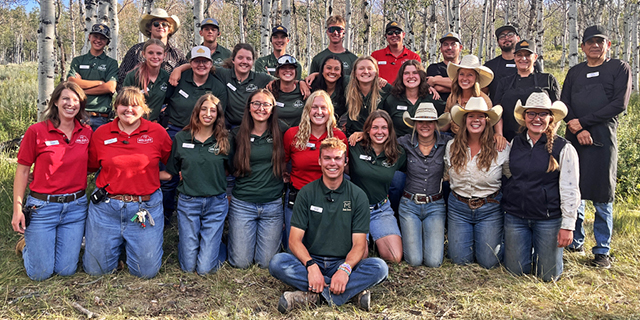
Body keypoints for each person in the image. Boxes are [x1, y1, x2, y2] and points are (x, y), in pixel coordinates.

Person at [269, 137, 388, 313]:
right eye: (327, 158)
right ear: (319, 161)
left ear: (345, 161)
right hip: (311, 260)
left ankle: (312, 295)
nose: (332, 163)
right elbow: (294, 240)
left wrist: (345, 270)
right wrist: (311, 266)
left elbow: (359, 244)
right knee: (277, 262)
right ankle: (346, 293)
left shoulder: (358, 196)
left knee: (379, 267)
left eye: (338, 158)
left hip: (343, 261)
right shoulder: (306, 193)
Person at [561, 25, 632, 268]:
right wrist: (578, 128)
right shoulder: (574, 72)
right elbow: (564, 103)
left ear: (608, 45)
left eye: (600, 41)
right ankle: (575, 242)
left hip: (604, 137)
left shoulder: (619, 68)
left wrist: (585, 123)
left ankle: (602, 251)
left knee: (603, 195)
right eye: (590, 42)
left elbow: (619, 104)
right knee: (574, 190)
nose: (595, 45)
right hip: (574, 136)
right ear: (582, 47)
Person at [83, 87, 172, 279]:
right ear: (116, 107)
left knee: (145, 272)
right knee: (96, 270)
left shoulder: (157, 132)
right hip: (107, 208)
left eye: (135, 105)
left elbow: (172, 163)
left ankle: (128, 246)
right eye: (124, 104)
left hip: (144, 207)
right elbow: (88, 166)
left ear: (144, 108)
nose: (129, 109)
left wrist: (162, 176)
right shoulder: (101, 133)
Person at [12, 82, 91, 281]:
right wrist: (17, 209)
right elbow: (22, 171)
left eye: (76, 100)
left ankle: (46, 243)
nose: (70, 104)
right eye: (65, 99)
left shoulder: (87, 133)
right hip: (42, 207)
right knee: (41, 274)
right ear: (55, 101)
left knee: (66, 270)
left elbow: (95, 164)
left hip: (75, 207)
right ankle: (26, 245)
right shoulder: (37, 131)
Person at [503, 92, 580, 281]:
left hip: (548, 219)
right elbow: (507, 172)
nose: (536, 119)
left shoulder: (564, 148)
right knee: (515, 272)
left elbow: (570, 189)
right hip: (516, 217)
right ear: (524, 117)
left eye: (542, 114)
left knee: (548, 276)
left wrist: (568, 226)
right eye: (531, 114)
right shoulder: (515, 143)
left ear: (550, 118)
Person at [164, 94, 231, 274]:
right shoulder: (181, 138)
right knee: (188, 267)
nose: (208, 113)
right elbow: (172, 171)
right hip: (188, 202)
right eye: (204, 109)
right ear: (197, 111)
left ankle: (217, 245)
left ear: (218, 114)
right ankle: (193, 246)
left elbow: (230, 170)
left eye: (213, 110)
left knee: (204, 270)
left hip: (216, 203)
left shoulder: (225, 139)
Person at [162, 46, 228, 223]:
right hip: (176, 130)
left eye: (204, 61)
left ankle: (199, 207)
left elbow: (220, 115)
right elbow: (163, 101)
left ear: (210, 64)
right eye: (197, 61)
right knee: (169, 175)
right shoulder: (179, 79)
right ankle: (166, 214)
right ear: (190, 63)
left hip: (206, 134)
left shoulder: (217, 87)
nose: (201, 65)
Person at [445, 97, 510, 269]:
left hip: (489, 207)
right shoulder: (451, 146)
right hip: (459, 207)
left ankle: (501, 239)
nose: (475, 120)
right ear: (464, 120)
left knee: (489, 262)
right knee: (459, 260)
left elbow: (511, 177)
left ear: (487, 121)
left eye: (480, 116)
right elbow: (446, 174)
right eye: (471, 116)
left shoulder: (501, 148)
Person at [283, 90, 348, 249]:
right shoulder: (292, 134)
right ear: (307, 111)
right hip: (297, 199)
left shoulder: (339, 136)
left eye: (323, 108)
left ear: (330, 111)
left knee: (325, 249)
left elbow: (345, 169)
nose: (319, 112)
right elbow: (283, 164)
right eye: (314, 107)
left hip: (329, 200)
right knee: (293, 251)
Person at [227, 89, 285, 268]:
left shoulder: (282, 130)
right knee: (240, 263)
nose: (261, 108)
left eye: (266, 104)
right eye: (256, 104)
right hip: (243, 203)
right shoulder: (236, 134)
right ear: (249, 107)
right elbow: (227, 167)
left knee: (266, 263)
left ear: (273, 108)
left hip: (272, 205)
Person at [397, 102, 451, 268]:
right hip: (409, 205)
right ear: (414, 124)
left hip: (435, 205)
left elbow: (468, 141)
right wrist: (361, 134)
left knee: (434, 262)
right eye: (420, 121)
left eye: (429, 121)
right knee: (414, 260)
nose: (425, 125)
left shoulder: (447, 142)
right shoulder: (404, 142)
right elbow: (380, 142)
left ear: (436, 124)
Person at [349, 110, 406, 263]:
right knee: (360, 255)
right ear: (367, 129)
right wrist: (359, 134)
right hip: (355, 210)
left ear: (390, 130)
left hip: (380, 208)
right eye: (375, 127)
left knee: (394, 257)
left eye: (384, 128)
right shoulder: (355, 146)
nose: (379, 132)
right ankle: (366, 241)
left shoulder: (398, 153)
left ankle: (376, 237)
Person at [492, 40, 561, 141]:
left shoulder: (548, 79)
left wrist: (550, 135)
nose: (523, 58)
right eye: (519, 55)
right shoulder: (504, 82)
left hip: (541, 138)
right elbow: (498, 111)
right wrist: (499, 134)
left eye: (528, 55)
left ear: (535, 57)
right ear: (514, 57)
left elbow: (557, 111)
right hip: (509, 138)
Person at [118, 8, 187, 91]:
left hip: (168, 101)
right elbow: (121, 78)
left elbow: (191, 70)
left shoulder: (177, 54)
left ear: (169, 29)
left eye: (164, 24)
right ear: (150, 28)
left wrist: (179, 69)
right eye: (156, 24)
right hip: (137, 100)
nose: (160, 26)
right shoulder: (136, 50)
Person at [67, 23, 118, 131]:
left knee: (100, 148)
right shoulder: (78, 61)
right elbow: (70, 83)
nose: (98, 40)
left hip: (102, 118)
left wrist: (80, 88)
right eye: (95, 36)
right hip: (79, 115)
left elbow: (110, 88)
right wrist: (100, 83)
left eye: (102, 38)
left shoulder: (111, 63)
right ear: (89, 37)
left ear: (107, 42)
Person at [382, 59, 444, 137]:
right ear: (401, 77)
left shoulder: (432, 97)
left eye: (415, 73)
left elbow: (445, 120)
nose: (411, 76)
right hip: (399, 146)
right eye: (406, 73)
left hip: (426, 145)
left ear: (421, 76)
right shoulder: (392, 100)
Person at [484, 24, 541, 99]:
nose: (506, 38)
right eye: (502, 36)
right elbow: (483, 94)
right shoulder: (489, 66)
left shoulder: (532, 64)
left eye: (510, 35)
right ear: (498, 43)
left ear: (518, 38)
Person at [442, 55, 494, 135]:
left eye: (470, 75)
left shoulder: (484, 99)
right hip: (453, 135)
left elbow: (488, 125)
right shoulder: (453, 96)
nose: (465, 78)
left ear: (476, 78)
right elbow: (447, 123)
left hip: (476, 138)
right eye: (462, 74)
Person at [122, 39, 170, 122]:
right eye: (150, 53)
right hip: (133, 122)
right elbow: (123, 102)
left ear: (164, 55)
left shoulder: (166, 76)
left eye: (159, 53)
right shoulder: (133, 76)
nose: (155, 56)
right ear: (143, 54)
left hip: (154, 124)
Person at [345, 56, 392, 137]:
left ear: (376, 72)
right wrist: (315, 75)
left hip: (379, 138)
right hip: (353, 139)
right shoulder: (347, 88)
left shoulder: (385, 89)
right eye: (361, 68)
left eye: (370, 68)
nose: (366, 71)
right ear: (355, 73)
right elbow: (329, 77)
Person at [269, 54, 306, 131]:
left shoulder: (304, 91)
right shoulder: (270, 90)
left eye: (291, 68)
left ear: (296, 72)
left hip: (299, 136)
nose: (287, 70)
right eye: (283, 68)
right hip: (276, 136)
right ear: (278, 72)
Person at [426, 32, 463, 102]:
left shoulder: (466, 68)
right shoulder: (434, 68)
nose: (449, 48)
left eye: (453, 44)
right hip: (440, 110)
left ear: (460, 48)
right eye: (446, 44)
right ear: (441, 49)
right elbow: (438, 88)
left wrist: (434, 80)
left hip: (464, 109)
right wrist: (463, 88)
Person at [310, 55, 349, 120]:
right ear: (322, 70)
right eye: (329, 68)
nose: (332, 71)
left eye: (336, 69)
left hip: (339, 127)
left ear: (341, 73)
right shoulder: (312, 85)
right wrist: (301, 83)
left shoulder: (346, 84)